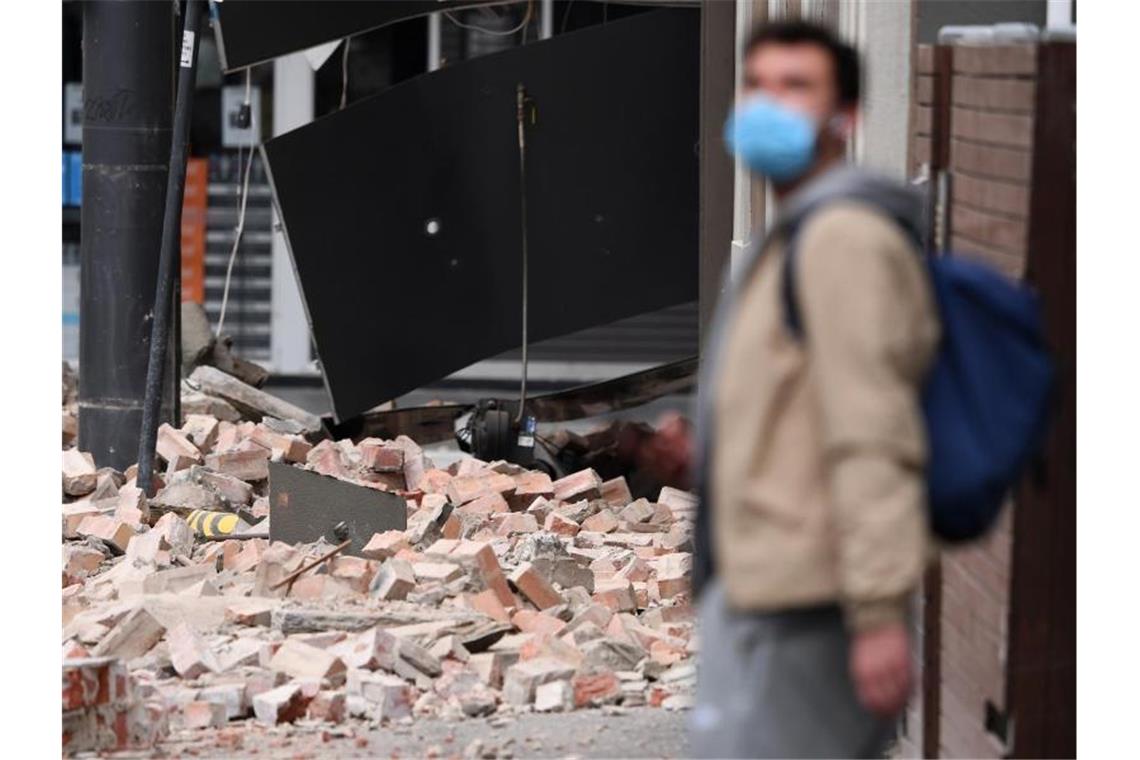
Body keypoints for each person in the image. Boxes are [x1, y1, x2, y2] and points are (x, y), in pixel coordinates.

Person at [648, 21, 940, 758]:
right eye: (759, 85)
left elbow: (873, 432)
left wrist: (876, 616)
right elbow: (800, 411)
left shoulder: (844, 241)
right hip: (761, 598)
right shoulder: (792, 234)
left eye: (797, 87)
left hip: (814, 610)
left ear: (845, 118)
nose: (770, 104)